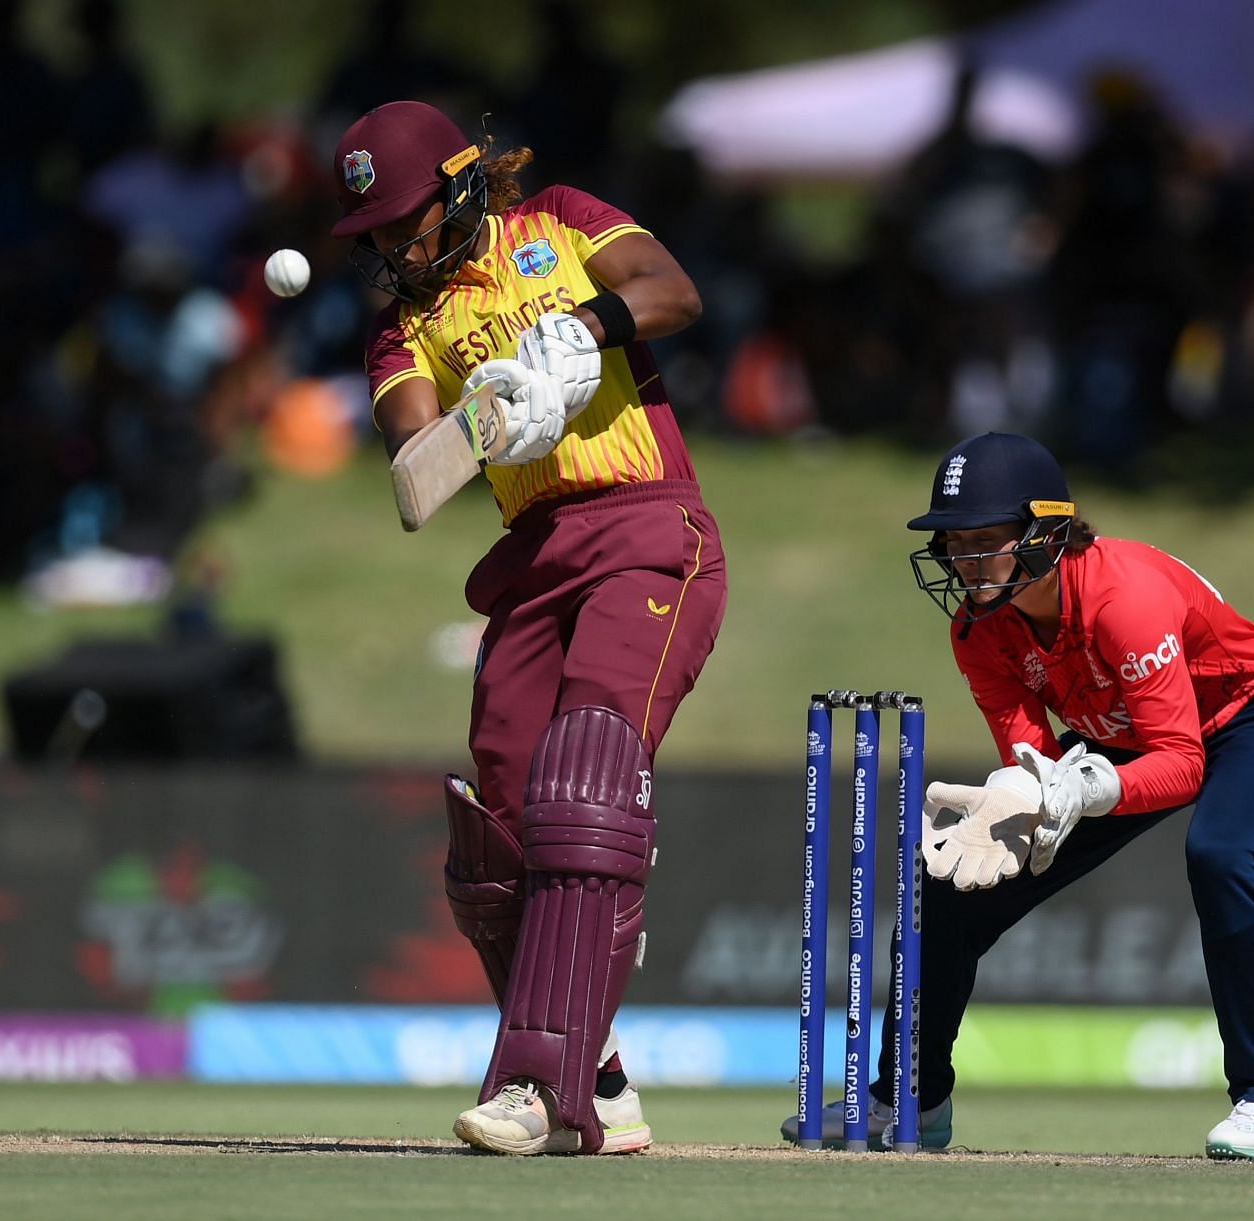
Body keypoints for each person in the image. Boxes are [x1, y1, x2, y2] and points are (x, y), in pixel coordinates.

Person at [330, 101, 727, 1155]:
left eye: (399, 221)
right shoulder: (401, 330)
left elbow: (674, 291)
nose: (385, 247)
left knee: (584, 777)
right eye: (369, 233)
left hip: (649, 529)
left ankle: (537, 1084)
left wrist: (580, 329)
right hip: (532, 563)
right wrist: (496, 409)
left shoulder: (559, 220)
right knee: (497, 830)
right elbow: (419, 479)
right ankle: (596, 1074)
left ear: (459, 190)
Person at [782, 431, 1254, 1159]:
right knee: (945, 881)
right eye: (954, 542)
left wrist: (1082, 784)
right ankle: (913, 1094)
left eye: (985, 540)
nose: (964, 561)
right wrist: (1026, 797)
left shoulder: (1121, 598)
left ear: (1046, 532)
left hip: (1251, 716)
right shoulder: (979, 631)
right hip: (1125, 736)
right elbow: (1030, 760)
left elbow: (1183, 761)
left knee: (1221, 853)